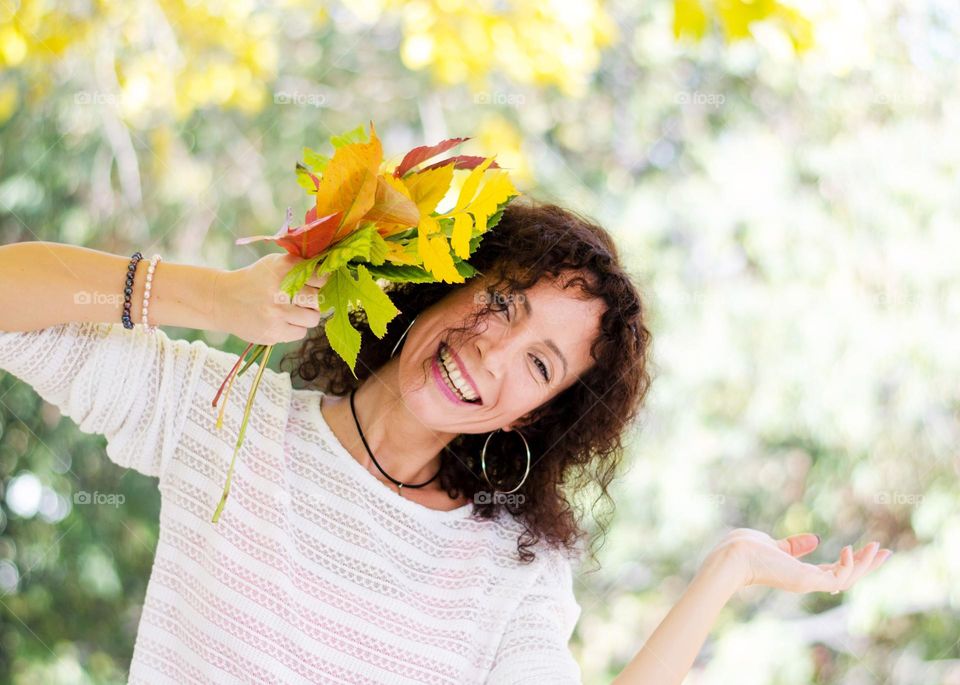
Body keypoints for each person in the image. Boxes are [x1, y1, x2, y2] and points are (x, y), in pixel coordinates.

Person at [0, 198, 891, 684]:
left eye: (539, 364)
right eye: (500, 300)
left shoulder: (507, 571)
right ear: (440, 287)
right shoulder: (221, 414)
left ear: (529, 416)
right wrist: (213, 300)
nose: (490, 348)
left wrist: (729, 567)